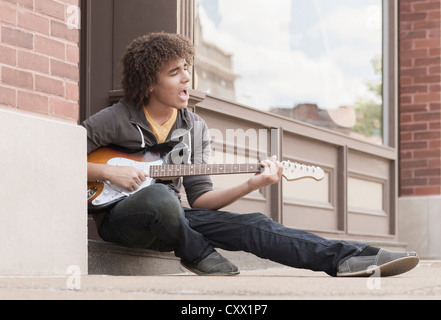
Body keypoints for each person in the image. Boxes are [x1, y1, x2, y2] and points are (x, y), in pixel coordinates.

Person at [82, 32, 419, 277]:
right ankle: (197, 253)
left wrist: (250, 184)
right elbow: (62, 160)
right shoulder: (114, 119)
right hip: (123, 220)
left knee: (254, 224)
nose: (187, 77)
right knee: (159, 197)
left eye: (186, 67)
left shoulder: (194, 126)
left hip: (177, 220)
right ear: (149, 84)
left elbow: (200, 200)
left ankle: (354, 257)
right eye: (174, 72)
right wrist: (110, 173)